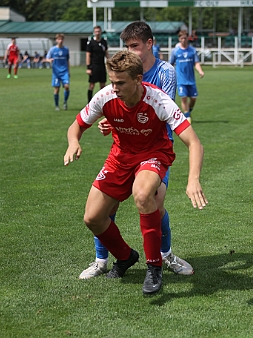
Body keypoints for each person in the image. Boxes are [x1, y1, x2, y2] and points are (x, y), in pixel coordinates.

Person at [64, 50, 207, 295]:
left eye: (121, 82)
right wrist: (73, 142)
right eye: (112, 81)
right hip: (120, 157)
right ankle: (125, 256)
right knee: (93, 218)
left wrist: (193, 179)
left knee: (142, 195)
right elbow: (76, 125)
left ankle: (155, 267)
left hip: (153, 155)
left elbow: (194, 143)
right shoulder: (105, 96)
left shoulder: (159, 100)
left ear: (139, 79)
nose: (115, 87)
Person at [79, 20, 195, 280]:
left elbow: (161, 112)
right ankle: (102, 260)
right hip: (126, 146)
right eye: (126, 46)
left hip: (155, 147)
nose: (130, 51)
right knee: (105, 207)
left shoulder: (165, 73)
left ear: (149, 44)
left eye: (135, 46)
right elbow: (112, 105)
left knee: (153, 202)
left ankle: (164, 256)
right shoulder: (120, 75)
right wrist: (109, 120)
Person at [169, 30, 205, 123]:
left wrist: (200, 71)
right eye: (182, 38)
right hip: (180, 79)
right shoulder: (175, 51)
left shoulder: (192, 50)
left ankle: (188, 111)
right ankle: (187, 117)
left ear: (187, 38)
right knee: (183, 98)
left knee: (193, 99)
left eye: (185, 38)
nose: (183, 40)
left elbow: (196, 62)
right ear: (179, 39)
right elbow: (171, 64)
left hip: (191, 79)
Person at [45, 33, 70, 111]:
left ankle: (65, 102)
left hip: (64, 72)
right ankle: (56, 105)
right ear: (56, 40)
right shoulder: (52, 49)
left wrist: (69, 71)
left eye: (62, 39)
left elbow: (67, 60)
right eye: (59, 39)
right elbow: (46, 58)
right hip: (56, 73)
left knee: (66, 86)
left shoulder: (66, 49)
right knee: (57, 89)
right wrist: (49, 60)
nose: (60, 41)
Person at [86, 25, 109, 103]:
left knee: (103, 85)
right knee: (92, 85)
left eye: (99, 31)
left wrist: (110, 62)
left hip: (102, 66)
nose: (97, 33)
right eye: (96, 31)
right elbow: (88, 55)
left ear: (101, 32)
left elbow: (106, 53)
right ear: (94, 32)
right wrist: (88, 67)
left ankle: (102, 102)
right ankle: (89, 102)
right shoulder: (91, 43)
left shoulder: (103, 42)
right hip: (94, 66)